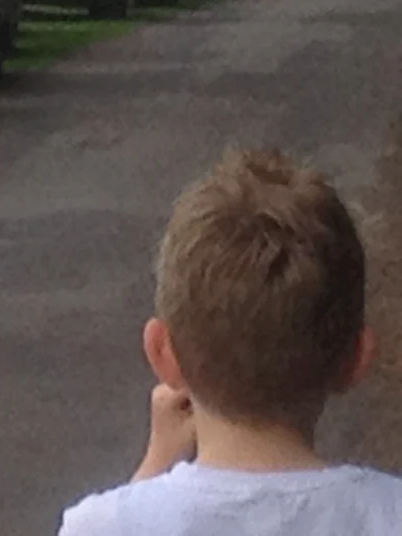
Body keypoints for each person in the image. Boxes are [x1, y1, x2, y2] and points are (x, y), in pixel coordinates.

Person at [57, 149, 402, 535]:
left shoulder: (100, 525)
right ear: (356, 359)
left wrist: (155, 464)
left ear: (161, 353)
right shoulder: (390, 513)